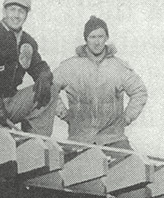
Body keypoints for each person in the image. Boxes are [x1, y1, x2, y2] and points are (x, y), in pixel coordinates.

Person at [53, 16, 148, 149]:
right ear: (86, 39)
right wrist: (64, 114)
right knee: (65, 167)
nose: (97, 42)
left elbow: (140, 91)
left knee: (134, 167)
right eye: (92, 37)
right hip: (80, 139)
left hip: (113, 139)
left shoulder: (118, 67)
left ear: (106, 38)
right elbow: (50, 88)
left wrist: (126, 118)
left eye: (100, 36)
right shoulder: (71, 66)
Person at [0, 0, 58, 135]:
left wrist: (44, 75)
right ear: (4, 11)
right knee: (2, 140)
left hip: (11, 102)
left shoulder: (27, 41)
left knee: (51, 88)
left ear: (26, 15)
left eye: (21, 11)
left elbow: (38, 66)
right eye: (12, 9)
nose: (16, 15)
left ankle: (35, 139)